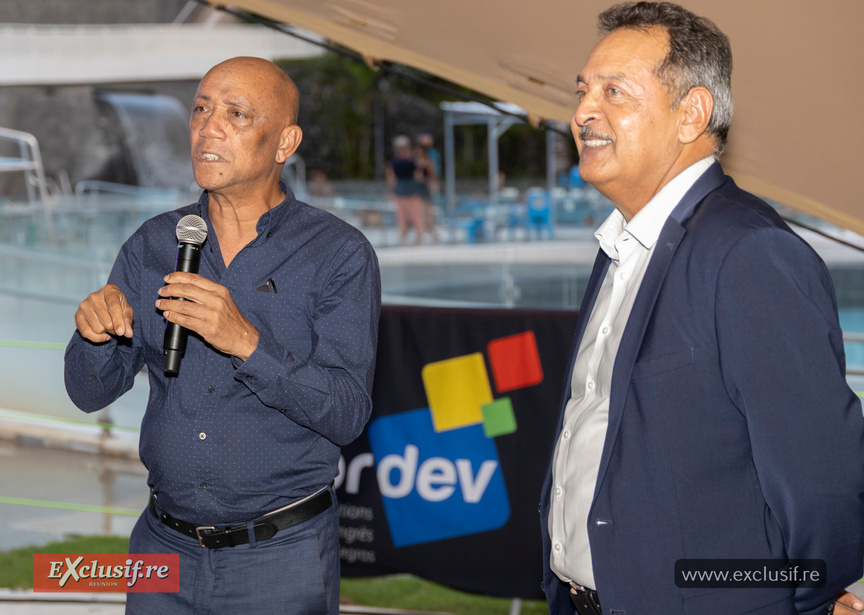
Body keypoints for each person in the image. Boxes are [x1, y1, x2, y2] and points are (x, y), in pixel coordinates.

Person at [538, 3, 864, 615]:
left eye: (615, 91)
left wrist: (804, 600)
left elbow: (822, 483)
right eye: (583, 90)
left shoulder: (748, 253)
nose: (583, 111)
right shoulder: (622, 245)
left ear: (691, 113)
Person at [64, 56, 381, 614]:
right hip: (160, 548)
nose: (209, 128)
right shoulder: (153, 244)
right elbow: (88, 394)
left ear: (285, 143)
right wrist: (96, 333)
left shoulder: (338, 254)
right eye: (202, 110)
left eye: (235, 114)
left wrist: (246, 342)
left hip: (281, 557)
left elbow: (348, 413)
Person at [385, 135, 426, 245]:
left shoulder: (395, 162)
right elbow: (418, 176)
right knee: (413, 215)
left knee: (405, 216)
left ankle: (407, 239)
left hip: (403, 189)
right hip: (409, 189)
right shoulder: (413, 161)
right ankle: (416, 238)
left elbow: (391, 178)